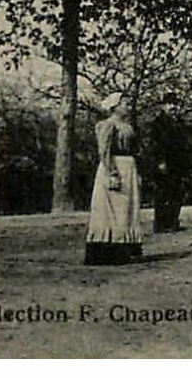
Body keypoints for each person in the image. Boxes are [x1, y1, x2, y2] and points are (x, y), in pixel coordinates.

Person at [85, 92, 144, 265]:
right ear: (115, 106)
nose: (128, 107)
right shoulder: (107, 125)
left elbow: (135, 149)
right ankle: (109, 250)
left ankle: (125, 247)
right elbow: (104, 151)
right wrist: (112, 173)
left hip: (129, 167)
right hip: (115, 166)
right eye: (125, 103)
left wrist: (137, 171)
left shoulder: (128, 126)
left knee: (127, 208)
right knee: (113, 209)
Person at [148, 91, 192, 233]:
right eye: (170, 104)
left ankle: (173, 221)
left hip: (178, 162)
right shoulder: (158, 123)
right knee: (163, 193)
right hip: (164, 162)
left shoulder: (179, 122)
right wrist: (160, 161)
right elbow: (155, 144)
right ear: (163, 106)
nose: (173, 107)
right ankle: (161, 224)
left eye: (175, 104)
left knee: (177, 192)